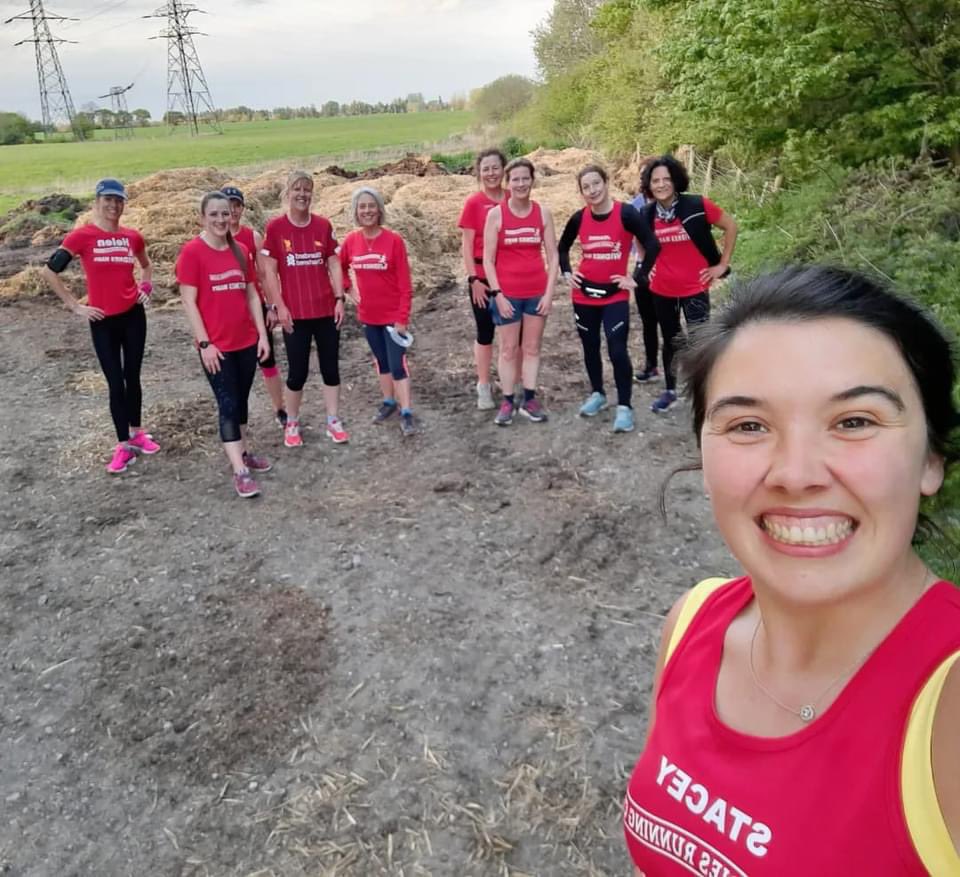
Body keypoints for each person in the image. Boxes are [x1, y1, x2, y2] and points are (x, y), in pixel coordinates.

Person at [624, 265, 960, 875]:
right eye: (749, 425)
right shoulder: (690, 623)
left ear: (930, 459)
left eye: (854, 422)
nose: (797, 472)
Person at [42, 178, 160, 474]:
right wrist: (75, 305)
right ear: (97, 202)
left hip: (133, 316)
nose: (113, 205)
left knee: (132, 377)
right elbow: (49, 271)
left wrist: (146, 287)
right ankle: (124, 445)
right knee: (115, 381)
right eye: (108, 200)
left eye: (119, 200)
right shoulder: (81, 236)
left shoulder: (132, 237)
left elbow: (146, 265)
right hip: (102, 321)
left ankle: (137, 432)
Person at [176, 192, 272, 498]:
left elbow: (252, 294)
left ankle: (242, 453)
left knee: (241, 400)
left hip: (246, 340)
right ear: (202, 218)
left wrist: (262, 335)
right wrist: (205, 344)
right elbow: (189, 302)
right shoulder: (192, 253)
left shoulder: (241, 249)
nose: (221, 220)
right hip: (216, 346)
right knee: (228, 403)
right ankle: (240, 471)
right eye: (214, 214)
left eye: (225, 214)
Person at [558, 164, 657, 434]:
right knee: (590, 348)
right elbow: (563, 247)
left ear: (606, 182)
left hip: (615, 296)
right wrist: (567, 273)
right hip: (584, 295)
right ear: (581, 192)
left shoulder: (626, 213)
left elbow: (652, 245)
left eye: (596, 183)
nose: (592, 190)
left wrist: (637, 278)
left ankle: (624, 407)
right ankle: (598, 394)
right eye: (586, 187)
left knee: (616, 350)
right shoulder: (579, 218)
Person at [636, 154, 738, 413]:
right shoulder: (646, 214)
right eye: (655, 180)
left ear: (676, 180)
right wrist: (647, 265)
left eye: (666, 179)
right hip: (662, 289)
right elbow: (641, 242)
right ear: (649, 184)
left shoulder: (697, 205)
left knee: (700, 340)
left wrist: (722, 265)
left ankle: (704, 393)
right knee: (670, 341)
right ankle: (670, 391)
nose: (661, 185)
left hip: (695, 287)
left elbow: (730, 226)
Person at [259, 170, 348, 449]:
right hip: (295, 313)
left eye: (307, 189)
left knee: (330, 368)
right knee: (297, 372)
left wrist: (339, 298)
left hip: (325, 310)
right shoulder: (276, 228)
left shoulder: (323, 225)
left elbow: (334, 262)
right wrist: (279, 306)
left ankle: (333, 420)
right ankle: (293, 421)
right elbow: (269, 271)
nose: (302, 194)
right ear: (288, 193)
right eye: (297, 189)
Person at [482, 158, 559, 426]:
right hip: (508, 295)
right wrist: (498, 295)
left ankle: (529, 398)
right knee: (507, 349)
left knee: (532, 347)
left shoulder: (543, 213)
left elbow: (553, 256)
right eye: (515, 179)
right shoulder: (497, 215)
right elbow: (488, 260)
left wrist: (549, 294)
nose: (521, 183)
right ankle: (507, 400)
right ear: (508, 183)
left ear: (532, 180)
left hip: (536, 292)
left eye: (525, 178)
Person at [339, 187, 418, 437]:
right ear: (356, 212)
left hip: (392, 317)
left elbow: (405, 284)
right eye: (362, 207)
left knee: (397, 364)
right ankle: (388, 402)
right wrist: (348, 289)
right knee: (381, 362)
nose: (367, 211)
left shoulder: (394, 240)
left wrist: (402, 318)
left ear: (380, 209)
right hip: (368, 316)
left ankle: (406, 411)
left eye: (371, 206)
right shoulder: (351, 241)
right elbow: (338, 268)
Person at [222, 185, 287, 427]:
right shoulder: (213, 238)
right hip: (228, 309)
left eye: (237, 205)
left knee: (267, 359)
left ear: (242, 208)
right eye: (228, 205)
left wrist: (271, 306)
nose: (232, 210)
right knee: (232, 364)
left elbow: (263, 274)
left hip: (255, 307)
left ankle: (279, 408)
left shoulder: (252, 237)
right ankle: (236, 416)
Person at [458, 147, 510, 410]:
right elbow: (466, 245)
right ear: (479, 172)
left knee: (512, 333)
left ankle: (511, 382)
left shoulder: (513, 197)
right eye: (485, 168)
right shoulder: (473, 203)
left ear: (504, 169)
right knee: (485, 332)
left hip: (510, 275)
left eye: (495, 167)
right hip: (481, 277)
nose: (491, 173)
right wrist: (473, 279)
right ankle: (484, 385)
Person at [629, 168, 660, 384]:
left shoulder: (672, 205)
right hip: (644, 270)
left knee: (671, 323)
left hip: (668, 270)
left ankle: (675, 369)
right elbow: (634, 241)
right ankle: (651, 366)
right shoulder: (634, 207)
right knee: (648, 322)